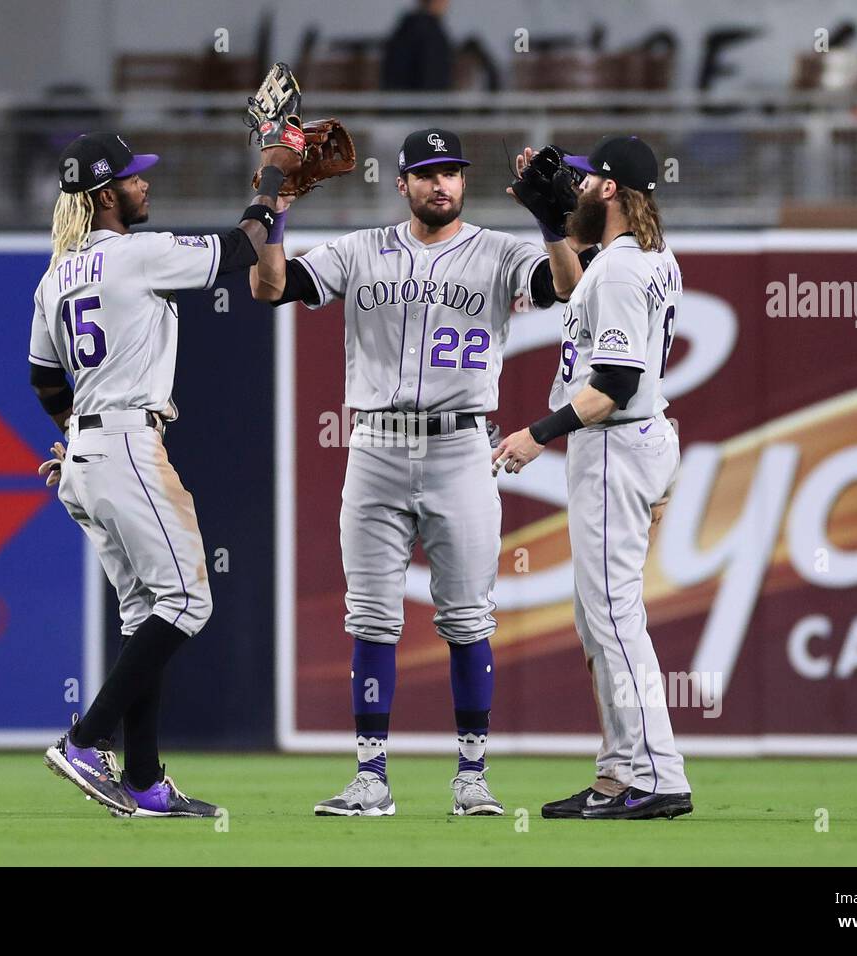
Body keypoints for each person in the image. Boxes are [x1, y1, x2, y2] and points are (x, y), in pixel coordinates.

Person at [251, 128, 586, 816]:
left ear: (464, 181)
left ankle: (471, 777)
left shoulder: (498, 251)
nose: (442, 184)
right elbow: (269, 285)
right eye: (428, 173)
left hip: (460, 448)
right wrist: (273, 206)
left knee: (467, 620)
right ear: (401, 183)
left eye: (452, 172)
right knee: (371, 619)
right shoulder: (361, 249)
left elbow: (566, 288)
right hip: (373, 446)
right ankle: (370, 778)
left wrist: (553, 224)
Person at [32, 131, 295, 817]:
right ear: (102, 195)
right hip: (124, 445)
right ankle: (86, 741)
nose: (145, 184)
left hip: (88, 459)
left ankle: (145, 782)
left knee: (146, 611)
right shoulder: (136, 254)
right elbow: (238, 253)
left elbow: (42, 378)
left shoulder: (55, 274)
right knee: (188, 603)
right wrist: (269, 183)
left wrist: (74, 439)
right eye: (132, 178)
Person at [492, 136, 694, 820]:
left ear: (610, 190)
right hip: (640, 439)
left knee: (613, 619)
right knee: (597, 618)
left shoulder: (619, 272)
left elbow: (612, 382)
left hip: (613, 442)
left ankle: (659, 776)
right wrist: (551, 218)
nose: (572, 186)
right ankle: (617, 774)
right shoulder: (646, 256)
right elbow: (580, 282)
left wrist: (535, 435)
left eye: (583, 180)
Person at [381, 0, 453, 91]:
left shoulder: (405, 28)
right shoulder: (430, 32)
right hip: (421, 101)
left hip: (400, 100)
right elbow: (432, 78)